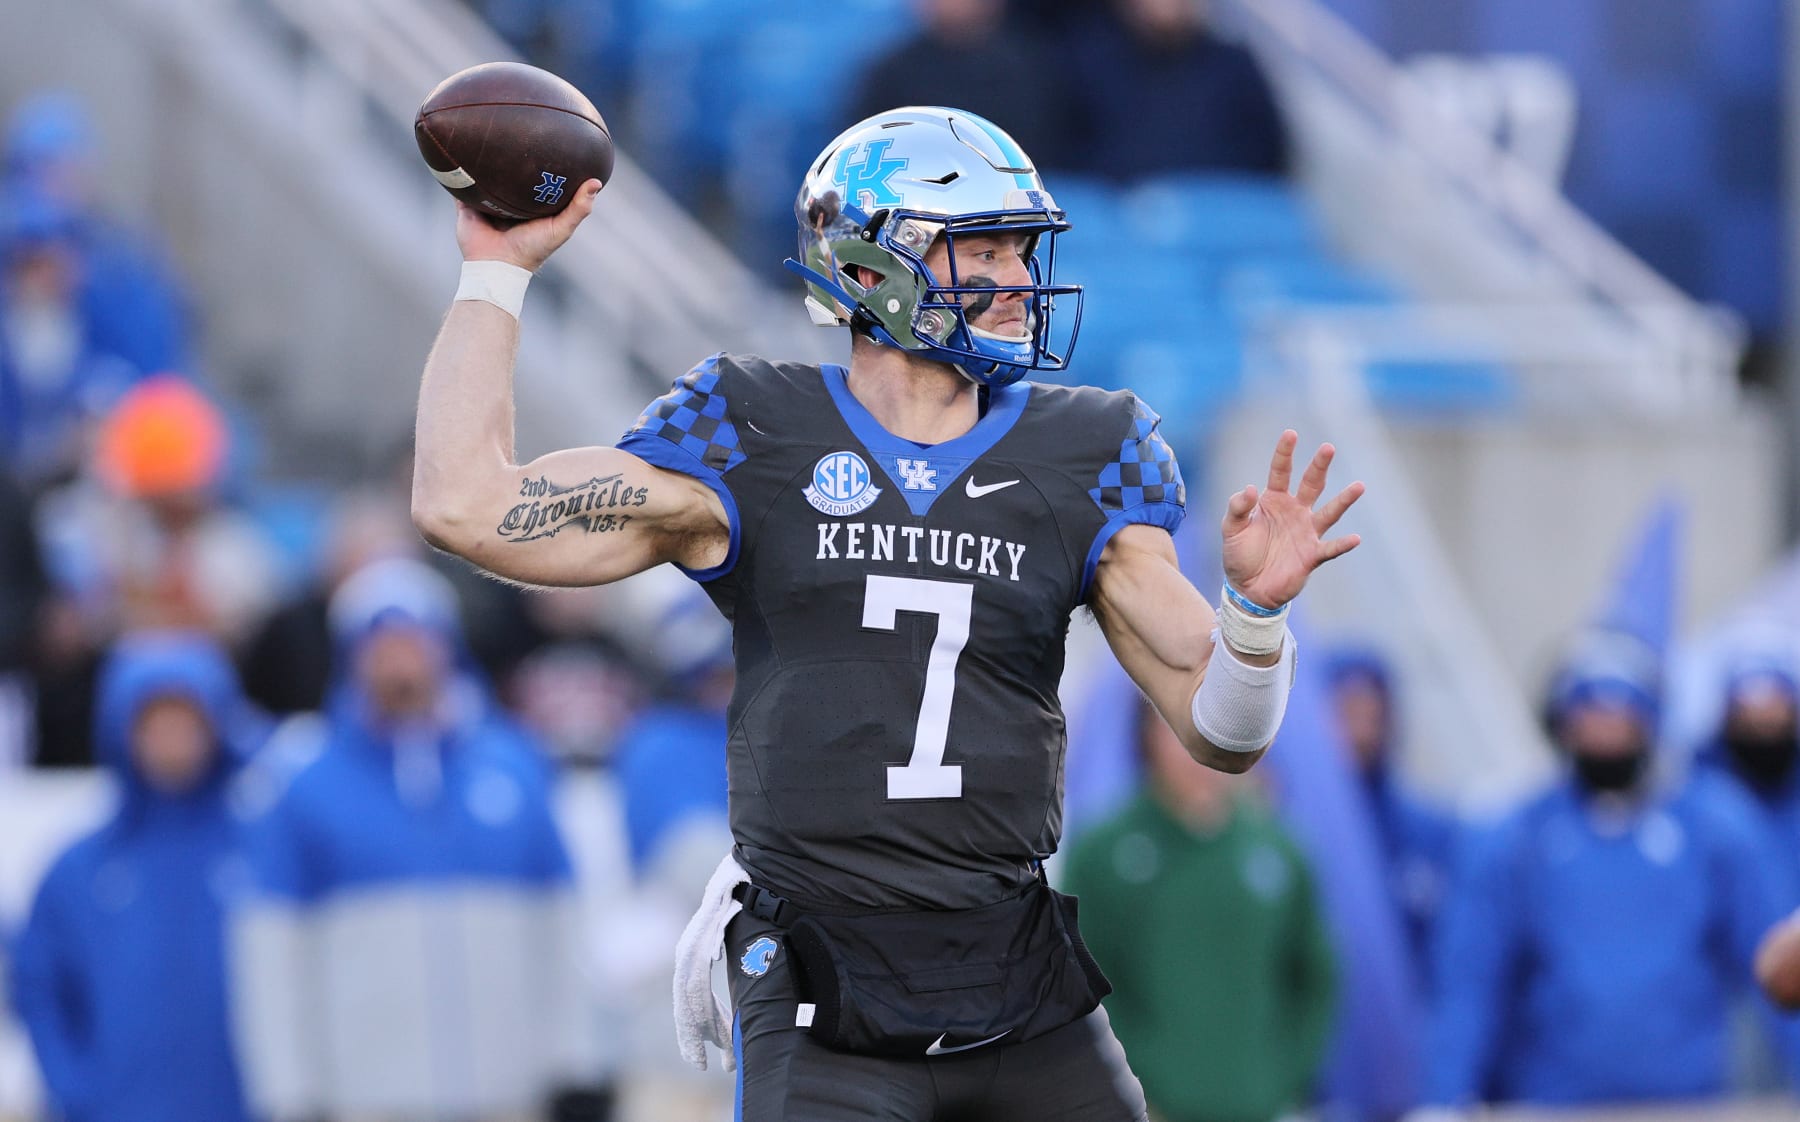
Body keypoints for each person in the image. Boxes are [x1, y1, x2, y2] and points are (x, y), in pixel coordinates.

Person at [409, 105, 1362, 1121]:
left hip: (1015, 976)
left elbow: (1220, 733)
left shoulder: (1085, 451)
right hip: (826, 980)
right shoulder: (751, 429)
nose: (1018, 281)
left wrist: (1254, 616)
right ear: (869, 269)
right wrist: (495, 271)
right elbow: (465, 505)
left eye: (1020, 249)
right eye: (982, 248)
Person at [228, 557, 597, 1122]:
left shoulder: (513, 766)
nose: (400, 662)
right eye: (381, 646)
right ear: (352, 658)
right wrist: (288, 1093)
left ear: (445, 647)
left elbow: (561, 927)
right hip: (367, 1098)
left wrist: (576, 1060)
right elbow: (273, 956)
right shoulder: (303, 784)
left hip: (507, 1094)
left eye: (414, 642)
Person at [1424, 631, 1800, 1107]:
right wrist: (1444, 1097)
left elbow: (1778, 965)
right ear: (1563, 726)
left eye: (1621, 718)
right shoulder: (1516, 837)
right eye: (1591, 718)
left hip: (1687, 1103)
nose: (1606, 733)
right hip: (1557, 1103)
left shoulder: (1712, 827)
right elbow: (1470, 984)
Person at [9, 630, 262, 1122]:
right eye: (154, 722)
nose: (172, 738)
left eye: (187, 720)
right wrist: (75, 1089)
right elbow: (38, 987)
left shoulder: (261, 849)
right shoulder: (80, 868)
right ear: (122, 730)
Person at [1063, 699, 1337, 1122]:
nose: (1197, 748)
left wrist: (1280, 1078)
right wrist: (1137, 1078)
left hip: (1259, 1107)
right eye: (1178, 728)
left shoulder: (1279, 851)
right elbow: (1080, 983)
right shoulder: (1105, 853)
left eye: (1217, 727)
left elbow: (1317, 981)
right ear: (1147, 735)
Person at [1323, 646, 1457, 991]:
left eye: (1373, 715)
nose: (1362, 732)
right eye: (1348, 713)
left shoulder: (1425, 830)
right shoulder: (1286, 828)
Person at [1059, 0, 1290, 182]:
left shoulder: (1235, 66)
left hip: (1220, 224)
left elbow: (1270, 158)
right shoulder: (1084, 66)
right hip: (1117, 229)